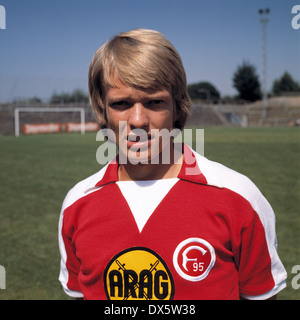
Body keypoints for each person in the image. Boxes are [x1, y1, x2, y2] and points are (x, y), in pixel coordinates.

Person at [58, 29, 287, 300]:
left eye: (155, 102)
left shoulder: (238, 197)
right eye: (121, 103)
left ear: (177, 106)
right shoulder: (77, 204)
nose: (139, 120)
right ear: (102, 109)